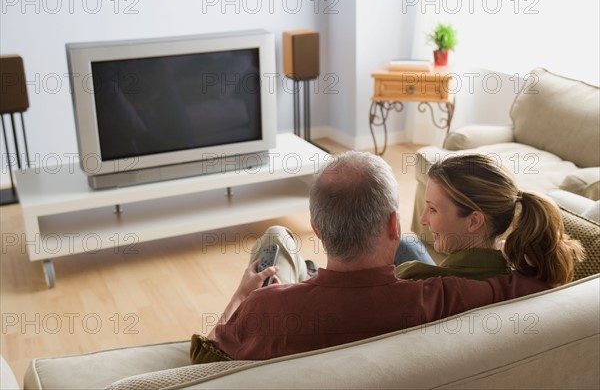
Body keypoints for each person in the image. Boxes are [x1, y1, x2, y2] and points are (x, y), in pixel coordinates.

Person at [196, 151, 550, 362]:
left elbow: (206, 363)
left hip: (303, 301)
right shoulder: (435, 297)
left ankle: (305, 274)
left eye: (432, 209)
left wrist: (242, 296)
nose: (425, 219)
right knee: (411, 247)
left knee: (276, 237)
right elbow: (525, 285)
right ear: (394, 224)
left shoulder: (264, 309)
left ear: (316, 229)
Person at [395, 154, 583, 287]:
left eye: (433, 209)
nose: (423, 220)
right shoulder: (518, 270)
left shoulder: (413, 279)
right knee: (405, 244)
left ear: (473, 222)